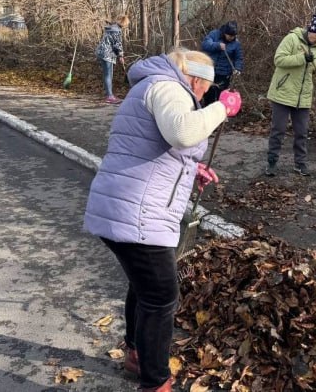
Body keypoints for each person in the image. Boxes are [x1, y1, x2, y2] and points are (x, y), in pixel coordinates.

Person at [83, 49, 241, 392]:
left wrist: (192, 168)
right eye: (205, 91)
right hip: (137, 212)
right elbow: (182, 133)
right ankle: (155, 382)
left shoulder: (155, 85)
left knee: (144, 287)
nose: (202, 98)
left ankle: (137, 354)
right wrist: (222, 108)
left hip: (131, 206)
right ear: (196, 80)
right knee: (161, 296)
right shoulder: (167, 88)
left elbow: (155, 146)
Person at [265, 14, 316, 177]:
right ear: (310, 30)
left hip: (303, 95)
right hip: (283, 92)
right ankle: (271, 162)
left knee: (302, 132)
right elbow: (278, 60)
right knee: (278, 130)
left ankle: (300, 164)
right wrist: (301, 58)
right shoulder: (292, 39)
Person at [200, 20, 244, 106]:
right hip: (209, 70)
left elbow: (239, 58)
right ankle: (207, 109)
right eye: (229, 35)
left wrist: (238, 69)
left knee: (221, 94)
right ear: (224, 32)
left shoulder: (236, 44)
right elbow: (205, 44)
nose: (231, 38)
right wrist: (217, 45)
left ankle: (220, 113)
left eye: (233, 36)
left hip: (224, 73)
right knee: (208, 92)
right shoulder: (214, 34)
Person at [95, 14, 129, 104]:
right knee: (108, 75)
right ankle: (109, 96)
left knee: (107, 74)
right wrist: (121, 56)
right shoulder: (117, 30)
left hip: (102, 52)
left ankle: (109, 94)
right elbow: (117, 44)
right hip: (107, 53)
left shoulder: (110, 28)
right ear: (124, 23)